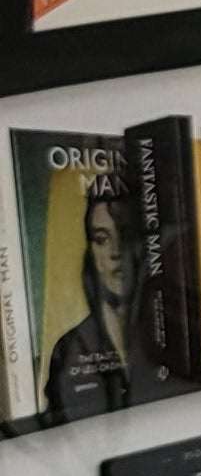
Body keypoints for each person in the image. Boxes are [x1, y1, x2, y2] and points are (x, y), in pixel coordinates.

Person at [40, 172, 166, 418]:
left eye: (125, 235)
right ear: (91, 252)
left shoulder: (169, 335)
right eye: (101, 239)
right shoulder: (68, 350)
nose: (115, 252)